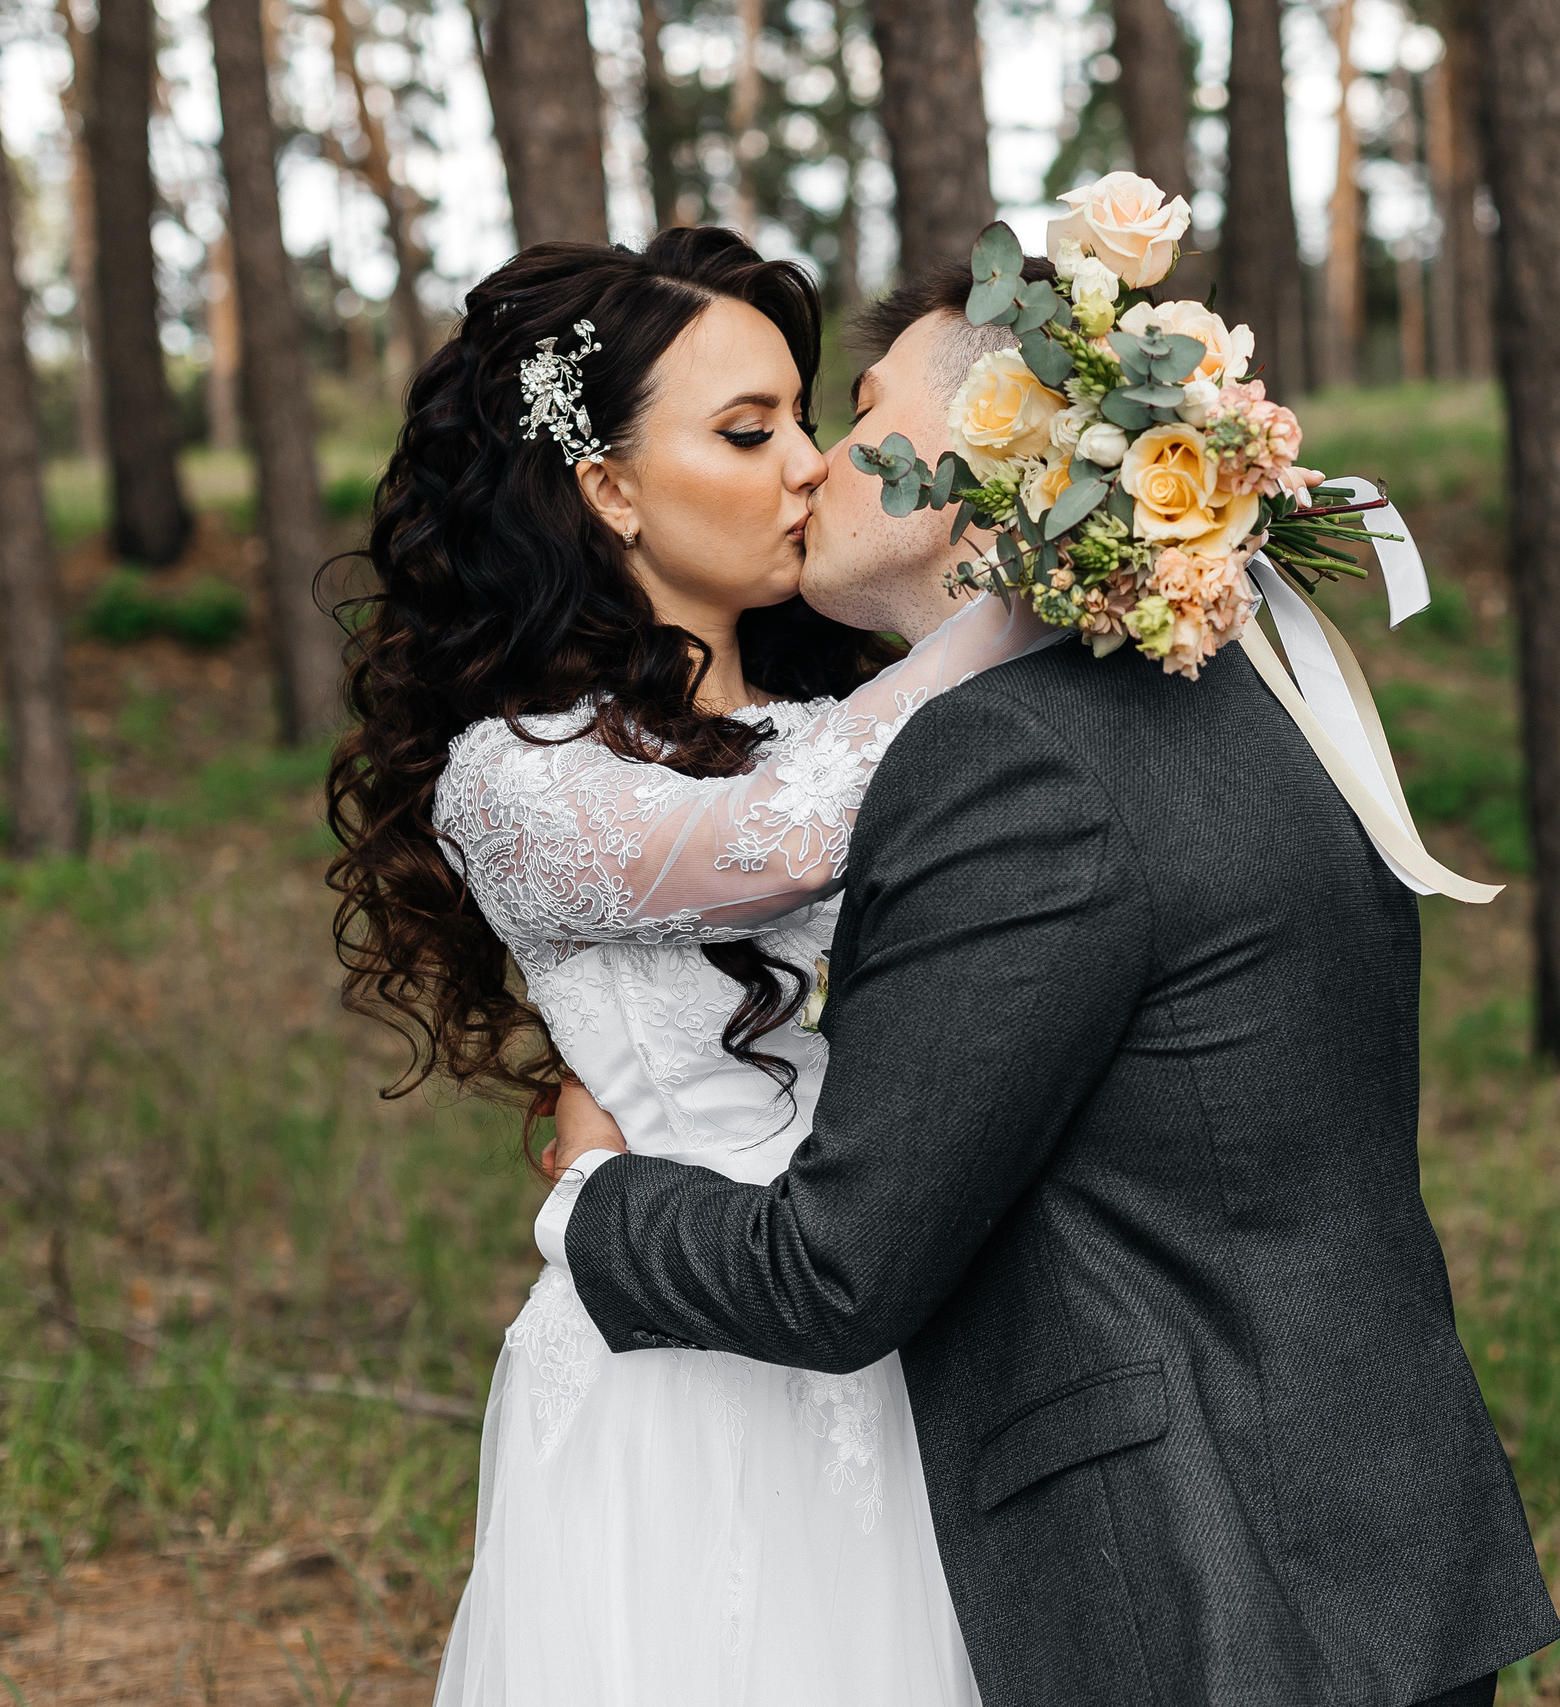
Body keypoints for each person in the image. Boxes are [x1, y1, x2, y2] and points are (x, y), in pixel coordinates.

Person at [540, 257, 1560, 1705]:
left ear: (985, 452)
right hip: (1376, 1530)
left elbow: (840, 1272)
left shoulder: (1012, 757)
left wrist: (596, 1196)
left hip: (1199, 1582)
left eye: (865, 411)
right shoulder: (1243, 698)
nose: (823, 461)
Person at [324, 228, 1056, 1706]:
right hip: (671, 1357)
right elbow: (785, 833)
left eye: (809, 417)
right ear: (605, 488)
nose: (811, 466)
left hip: (881, 1324)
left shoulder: (817, 718)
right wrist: (1072, 560)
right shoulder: (518, 781)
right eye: (751, 430)